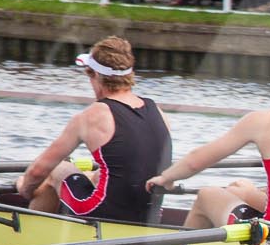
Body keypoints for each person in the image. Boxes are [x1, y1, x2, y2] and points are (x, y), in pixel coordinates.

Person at [148, 58, 270, 229]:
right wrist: (248, 193)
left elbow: (195, 162)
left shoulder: (266, 120)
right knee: (241, 188)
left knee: (206, 195)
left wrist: (166, 178)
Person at [15, 38, 174, 224]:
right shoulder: (158, 111)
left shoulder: (93, 115)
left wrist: (24, 189)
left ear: (96, 76)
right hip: (151, 216)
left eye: (89, 75)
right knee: (101, 175)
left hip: (101, 214)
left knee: (58, 169)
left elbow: (38, 170)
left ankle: (30, 231)